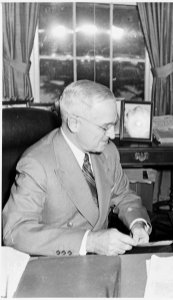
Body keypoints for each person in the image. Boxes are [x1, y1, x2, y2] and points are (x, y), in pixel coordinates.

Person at [3, 80, 151, 256]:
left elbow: (123, 195)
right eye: (105, 127)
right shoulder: (36, 164)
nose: (111, 135)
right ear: (74, 123)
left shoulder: (107, 152)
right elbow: (15, 232)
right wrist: (89, 242)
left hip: (102, 261)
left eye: (114, 124)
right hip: (57, 266)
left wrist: (137, 223)